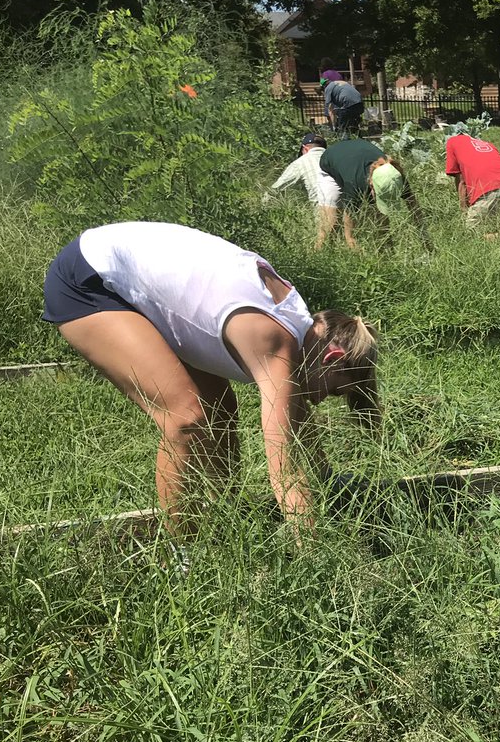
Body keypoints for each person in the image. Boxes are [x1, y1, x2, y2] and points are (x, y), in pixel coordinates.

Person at [42, 222, 380, 537]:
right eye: (334, 390)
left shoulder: (303, 326)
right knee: (186, 418)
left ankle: (223, 522)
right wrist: (314, 557)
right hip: (88, 278)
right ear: (333, 356)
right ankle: (180, 555)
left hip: (137, 275)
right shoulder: (276, 340)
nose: (321, 400)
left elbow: (298, 423)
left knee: (221, 410)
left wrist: (328, 480)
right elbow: (284, 467)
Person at [317, 139, 429, 248]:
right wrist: (352, 242)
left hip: (357, 154)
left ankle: (386, 251)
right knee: (331, 224)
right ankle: (319, 251)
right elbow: (349, 229)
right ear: (371, 186)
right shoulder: (354, 183)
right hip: (331, 161)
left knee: (381, 221)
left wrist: (424, 237)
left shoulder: (396, 176)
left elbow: (413, 206)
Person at [444, 133, 500, 229]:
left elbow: (461, 182)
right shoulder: (487, 144)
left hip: (486, 192)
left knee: (472, 234)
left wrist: (464, 212)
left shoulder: (452, 141)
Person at [263, 133, 328, 206]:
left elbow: (277, 188)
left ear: (305, 149)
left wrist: (263, 205)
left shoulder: (301, 162)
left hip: (321, 210)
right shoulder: (335, 159)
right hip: (342, 208)